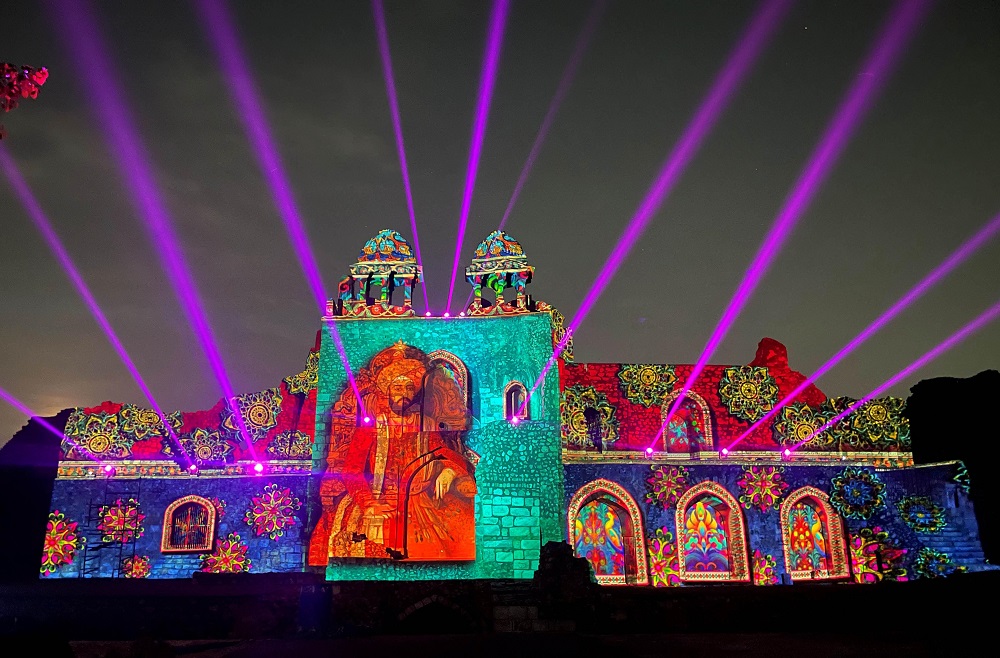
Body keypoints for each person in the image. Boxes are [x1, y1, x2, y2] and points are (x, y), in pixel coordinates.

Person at [308, 343, 476, 564]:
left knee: (462, 534)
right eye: (398, 388)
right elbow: (351, 471)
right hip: (379, 498)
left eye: (409, 388)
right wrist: (369, 504)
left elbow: (443, 453)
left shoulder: (425, 423)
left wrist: (449, 471)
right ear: (387, 390)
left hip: (422, 500)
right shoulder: (370, 427)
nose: (404, 394)